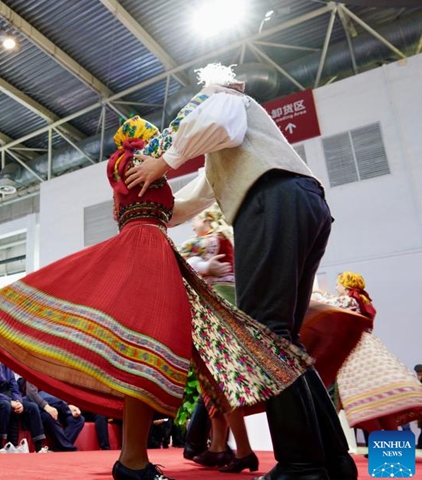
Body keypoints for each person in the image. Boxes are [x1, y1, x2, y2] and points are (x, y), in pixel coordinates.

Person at [0, 108, 312, 478]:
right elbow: (174, 153)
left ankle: (135, 458)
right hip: (144, 250)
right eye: (147, 135)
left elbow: (181, 200)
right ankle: (134, 459)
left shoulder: (149, 168)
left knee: (149, 353)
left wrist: (203, 167)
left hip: (156, 250)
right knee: (146, 351)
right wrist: (184, 134)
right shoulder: (127, 162)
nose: (151, 138)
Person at [127, 64, 355, 480]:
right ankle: (333, 461)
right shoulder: (230, 149)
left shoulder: (224, 102)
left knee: (265, 335)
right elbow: (194, 197)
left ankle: (302, 465)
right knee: (283, 339)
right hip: (301, 202)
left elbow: (212, 122)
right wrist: (148, 210)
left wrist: (164, 161)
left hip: (271, 198)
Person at [178, 207, 257, 473]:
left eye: (196, 219)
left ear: (208, 221)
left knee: (219, 381)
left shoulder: (204, 241)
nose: (192, 226)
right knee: (215, 382)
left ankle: (243, 450)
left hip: (213, 308)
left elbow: (178, 259)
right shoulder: (231, 240)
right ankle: (218, 447)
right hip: (233, 304)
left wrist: (203, 266)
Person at [313, 273, 422, 435]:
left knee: (365, 409)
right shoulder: (360, 300)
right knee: (382, 411)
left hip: (357, 353)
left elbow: (327, 303)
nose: (336, 286)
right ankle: (397, 458)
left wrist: (316, 292)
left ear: (346, 285)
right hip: (369, 350)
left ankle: (386, 453)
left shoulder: (349, 300)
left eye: (338, 283)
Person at [0, 352, 50, 454]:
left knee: (32, 407)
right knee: (5, 405)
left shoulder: (6, 365)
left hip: (4, 400)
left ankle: (38, 448)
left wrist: (18, 401)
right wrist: (9, 401)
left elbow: (14, 387)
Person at [21, 378, 85, 452]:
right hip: (40, 406)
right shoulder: (35, 369)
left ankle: (59, 448)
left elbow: (66, 392)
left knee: (78, 420)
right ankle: (69, 448)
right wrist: (46, 406)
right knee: (49, 416)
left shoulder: (60, 372)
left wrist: (70, 405)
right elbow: (31, 393)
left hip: (59, 405)